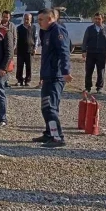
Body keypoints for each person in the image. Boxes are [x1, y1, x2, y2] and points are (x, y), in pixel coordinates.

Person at [35, 8, 72, 148]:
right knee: (46, 106)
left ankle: (58, 137)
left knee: (50, 107)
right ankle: (49, 133)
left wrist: (66, 71)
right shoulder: (46, 32)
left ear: (50, 19)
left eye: (41, 20)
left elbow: (64, 52)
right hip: (48, 75)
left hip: (56, 76)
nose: (38, 23)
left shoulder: (57, 31)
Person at [81, 12, 106, 94]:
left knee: (101, 71)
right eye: (95, 19)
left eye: (99, 19)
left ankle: (99, 87)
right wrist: (84, 50)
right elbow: (85, 40)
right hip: (91, 53)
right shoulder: (89, 29)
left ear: (102, 19)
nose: (97, 20)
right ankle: (88, 87)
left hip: (101, 53)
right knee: (88, 70)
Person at [15, 13, 38, 86]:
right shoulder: (19, 28)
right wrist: (15, 48)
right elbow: (16, 39)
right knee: (19, 66)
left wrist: (35, 48)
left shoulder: (34, 28)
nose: (26, 20)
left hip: (30, 50)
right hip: (21, 50)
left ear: (31, 19)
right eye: (25, 19)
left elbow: (36, 38)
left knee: (29, 66)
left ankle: (27, 80)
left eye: (28, 19)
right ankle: (19, 80)